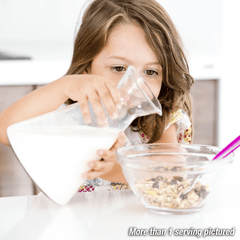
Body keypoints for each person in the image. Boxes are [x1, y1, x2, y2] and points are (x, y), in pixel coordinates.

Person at [0, 0, 194, 192]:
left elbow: (171, 173)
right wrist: (64, 86)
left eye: (150, 72)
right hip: (68, 221)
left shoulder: (161, 121)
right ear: (86, 69)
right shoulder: (69, 116)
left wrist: (113, 168)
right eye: (119, 68)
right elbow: (6, 131)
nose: (136, 85)